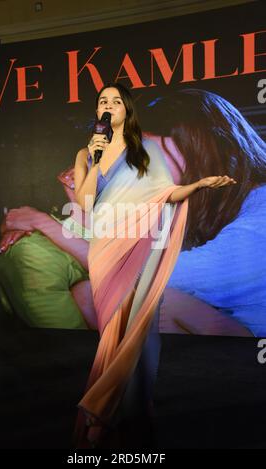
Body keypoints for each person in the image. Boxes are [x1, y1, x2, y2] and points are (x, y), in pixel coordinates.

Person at [70, 83, 236, 448]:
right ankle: (121, 415)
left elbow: (165, 195)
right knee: (112, 335)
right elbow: (85, 202)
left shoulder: (147, 151)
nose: (109, 106)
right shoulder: (87, 152)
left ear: (128, 109)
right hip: (106, 251)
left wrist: (198, 185)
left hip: (143, 247)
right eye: (103, 101)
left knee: (142, 334)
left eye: (117, 101)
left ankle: (116, 414)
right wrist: (94, 163)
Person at [142, 89, 266, 337]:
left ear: (200, 146)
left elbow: (170, 276)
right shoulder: (213, 201)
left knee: (160, 301)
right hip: (232, 337)